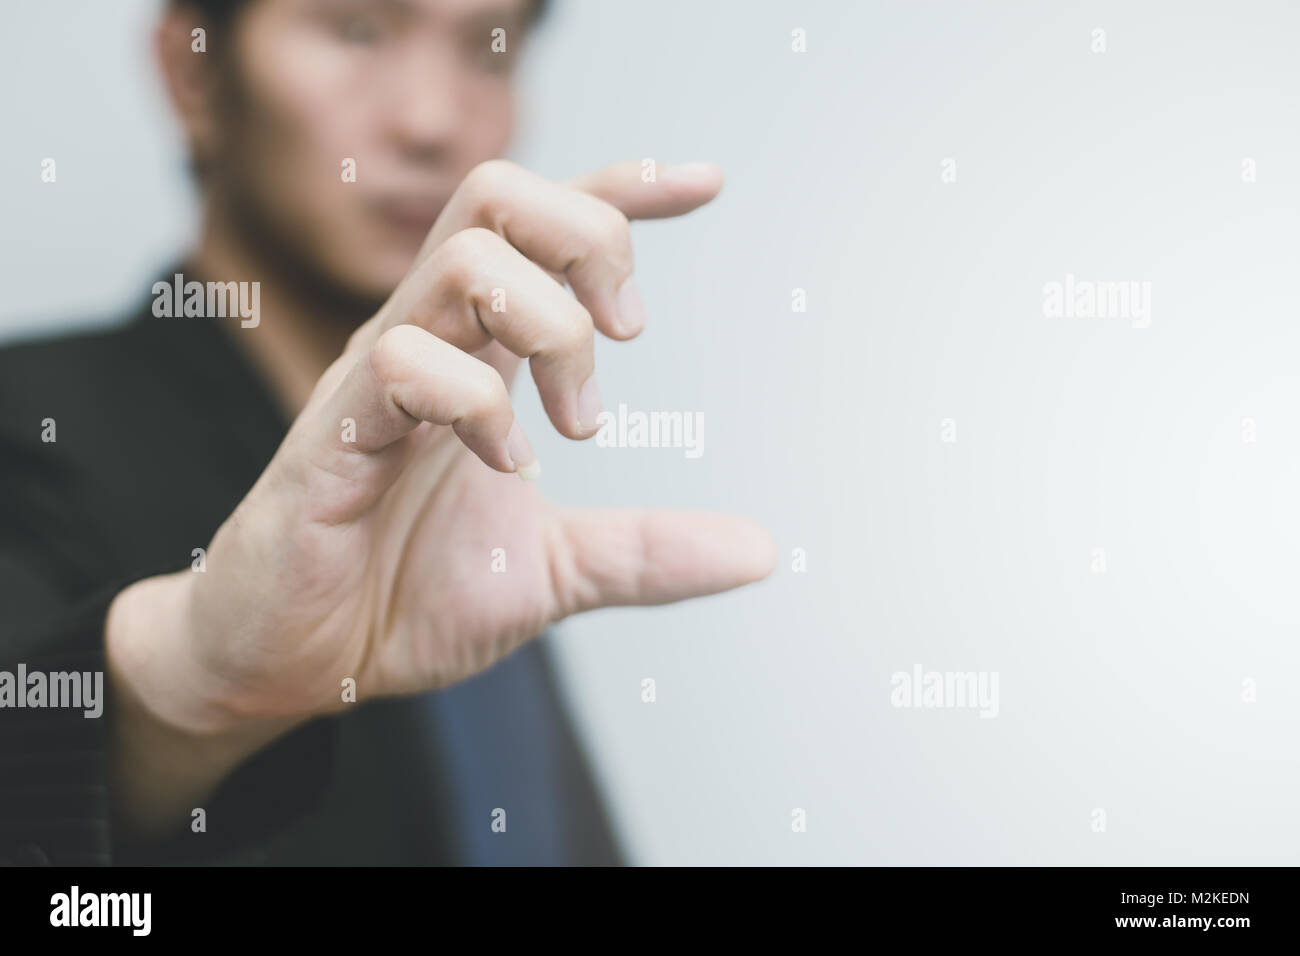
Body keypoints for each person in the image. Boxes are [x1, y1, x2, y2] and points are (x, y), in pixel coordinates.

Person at [0, 0, 774, 865]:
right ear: (193, 71)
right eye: (357, 29)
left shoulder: (473, 487)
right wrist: (189, 675)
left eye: (489, 48)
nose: (431, 122)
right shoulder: (25, 428)